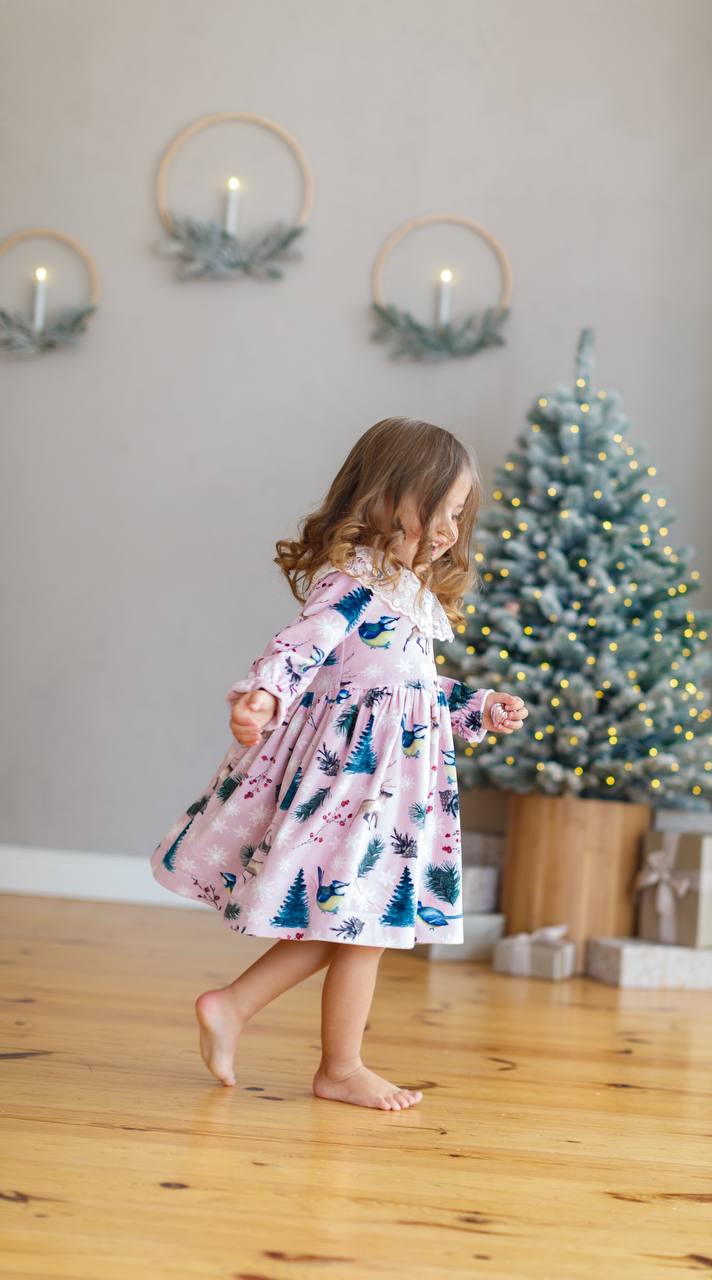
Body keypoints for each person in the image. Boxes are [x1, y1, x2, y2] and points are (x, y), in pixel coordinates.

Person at [149, 417, 527, 1110]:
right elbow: (300, 646)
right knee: (361, 925)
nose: (449, 531)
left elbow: (408, 689)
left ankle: (238, 1008)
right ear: (385, 497)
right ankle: (338, 1066)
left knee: (354, 922)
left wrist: (476, 706)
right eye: (438, 510)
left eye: (458, 515)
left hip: (392, 790)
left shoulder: (406, 594)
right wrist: (264, 693)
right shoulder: (353, 581)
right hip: (355, 784)